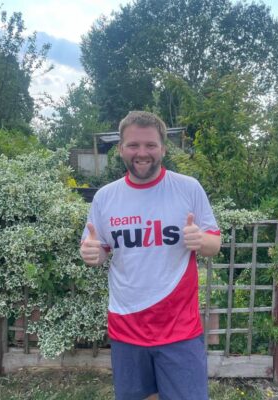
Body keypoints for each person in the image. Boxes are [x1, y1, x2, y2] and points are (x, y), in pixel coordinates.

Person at [80, 111, 221, 400]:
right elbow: (99, 249)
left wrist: (200, 240)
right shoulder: (105, 197)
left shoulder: (188, 188)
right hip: (126, 328)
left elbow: (214, 244)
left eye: (150, 145)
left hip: (180, 330)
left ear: (163, 149)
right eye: (133, 145)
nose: (142, 153)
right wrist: (93, 254)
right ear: (120, 149)